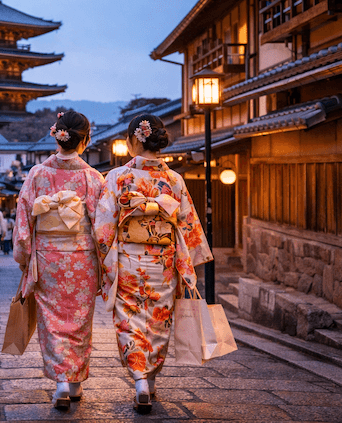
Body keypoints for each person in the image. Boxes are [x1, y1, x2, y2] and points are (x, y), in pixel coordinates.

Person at [95, 114, 213, 414]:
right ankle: (150, 379)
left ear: (134, 140)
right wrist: (191, 264)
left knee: (129, 320)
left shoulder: (117, 177)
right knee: (158, 321)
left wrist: (100, 260)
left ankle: (140, 381)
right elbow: (187, 224)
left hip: (129, 262)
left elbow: (104, 226)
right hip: (164, 261)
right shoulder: (174, 179)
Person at [13, 110, 104, 410]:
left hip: (48, 258)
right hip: (82, 260)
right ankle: (73, 382)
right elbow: (102, 229)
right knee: (79, 321)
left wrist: (26, 259)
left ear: (56, 135)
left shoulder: (37, 174)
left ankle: (61, 383)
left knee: (52, 321)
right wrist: (105, 263)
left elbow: (24, 223)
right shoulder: (93, 178)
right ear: (85, 140)